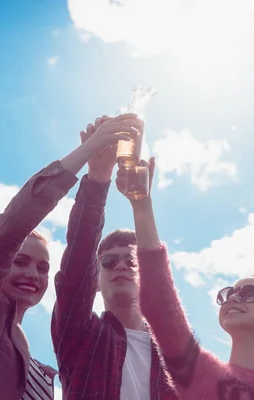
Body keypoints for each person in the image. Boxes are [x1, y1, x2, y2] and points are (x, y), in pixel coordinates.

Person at [0, 114, 141, 400]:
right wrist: (87, 156)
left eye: (43, 268)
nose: (33, 274)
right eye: (19, 262)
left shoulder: (34, 364)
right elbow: (11, 228)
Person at [120, 159, 254, 400]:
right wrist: (142, 205)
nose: (233, 298)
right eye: (228, 293)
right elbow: (159, 304)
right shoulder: (201, 373)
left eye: (249, 292)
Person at [51, 116, 176, 399]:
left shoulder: (173, 352)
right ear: (95, 281)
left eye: (131, 261)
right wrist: (98, 177)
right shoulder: (81, 335)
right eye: (108, 261)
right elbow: (78, 260)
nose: (121, 265)